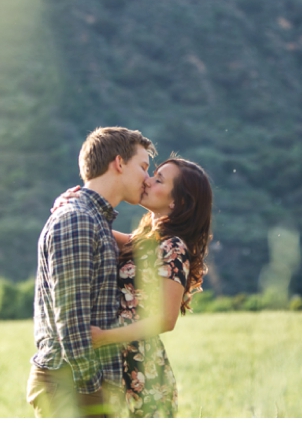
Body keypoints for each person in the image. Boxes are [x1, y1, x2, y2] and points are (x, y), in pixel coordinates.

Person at [26, 127, 156, 418]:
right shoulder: (78, 220)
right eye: (144, 167)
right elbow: (71, 324)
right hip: (74, 385)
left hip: (83, 383)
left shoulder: (94, 220)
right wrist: (94, 390)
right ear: (119, 163)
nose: (148, 178)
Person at [92, 156, 214, 418]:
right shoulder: (149, 239)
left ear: (177, 202)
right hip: (120, 360)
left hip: (141, 370)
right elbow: (110, 235)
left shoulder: (174, 247)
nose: (147, 180)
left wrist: (104, 337)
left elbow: (166, 320)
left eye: (159, 180)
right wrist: (77, 204)